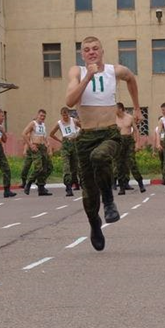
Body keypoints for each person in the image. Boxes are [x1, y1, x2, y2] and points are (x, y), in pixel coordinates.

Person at [65, 36, 142, 252]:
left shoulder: (113, 71)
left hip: (109, 133)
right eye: (87, 50)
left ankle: (108, 200)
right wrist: (88, 76)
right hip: (86, 136)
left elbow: (131, 78)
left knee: (100, 156)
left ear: (102, 51)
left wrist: (136, 108)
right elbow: (69, 101)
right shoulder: (77, 72)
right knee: (89, 193)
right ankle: (94, 224)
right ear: (82, 54)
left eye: (95, 49)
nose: (91, 52)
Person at [115, 102, 146, 195]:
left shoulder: (129, 117)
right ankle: (121, 187)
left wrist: (137, 143)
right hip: (119, 141)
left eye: (115, 108)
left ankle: (140, 183)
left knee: (132, 162)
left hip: (129, 141)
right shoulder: (113, 118)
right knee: (119, 165)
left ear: (120, 109)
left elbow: (136, 131)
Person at [49, 107, 81, 196]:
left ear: (68, 114)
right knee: (66, 166)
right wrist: (60, 140)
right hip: (65, 144)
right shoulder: (59, 123)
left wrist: (77, 136)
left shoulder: (73, 121)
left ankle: (76, 182)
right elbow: (51, 134)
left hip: (73, 143)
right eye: (63, 115)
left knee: (75, 167)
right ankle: (68, 187)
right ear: (61, 115)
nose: (65, 116)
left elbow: (83, 127)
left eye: (66, 114)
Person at [22, 109, 53, 196]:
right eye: (41, 116)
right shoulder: (33, 123)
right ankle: (29, 183)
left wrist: (48, 148)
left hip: (43, 147)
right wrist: (30, 145)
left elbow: (45, 137)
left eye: (44, 116)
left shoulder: (43, 125)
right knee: (39, 168)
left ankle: (41, 187)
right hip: (36, 147)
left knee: (48, 167)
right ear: (37, 115)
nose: (42, 118)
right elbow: (24, 134)